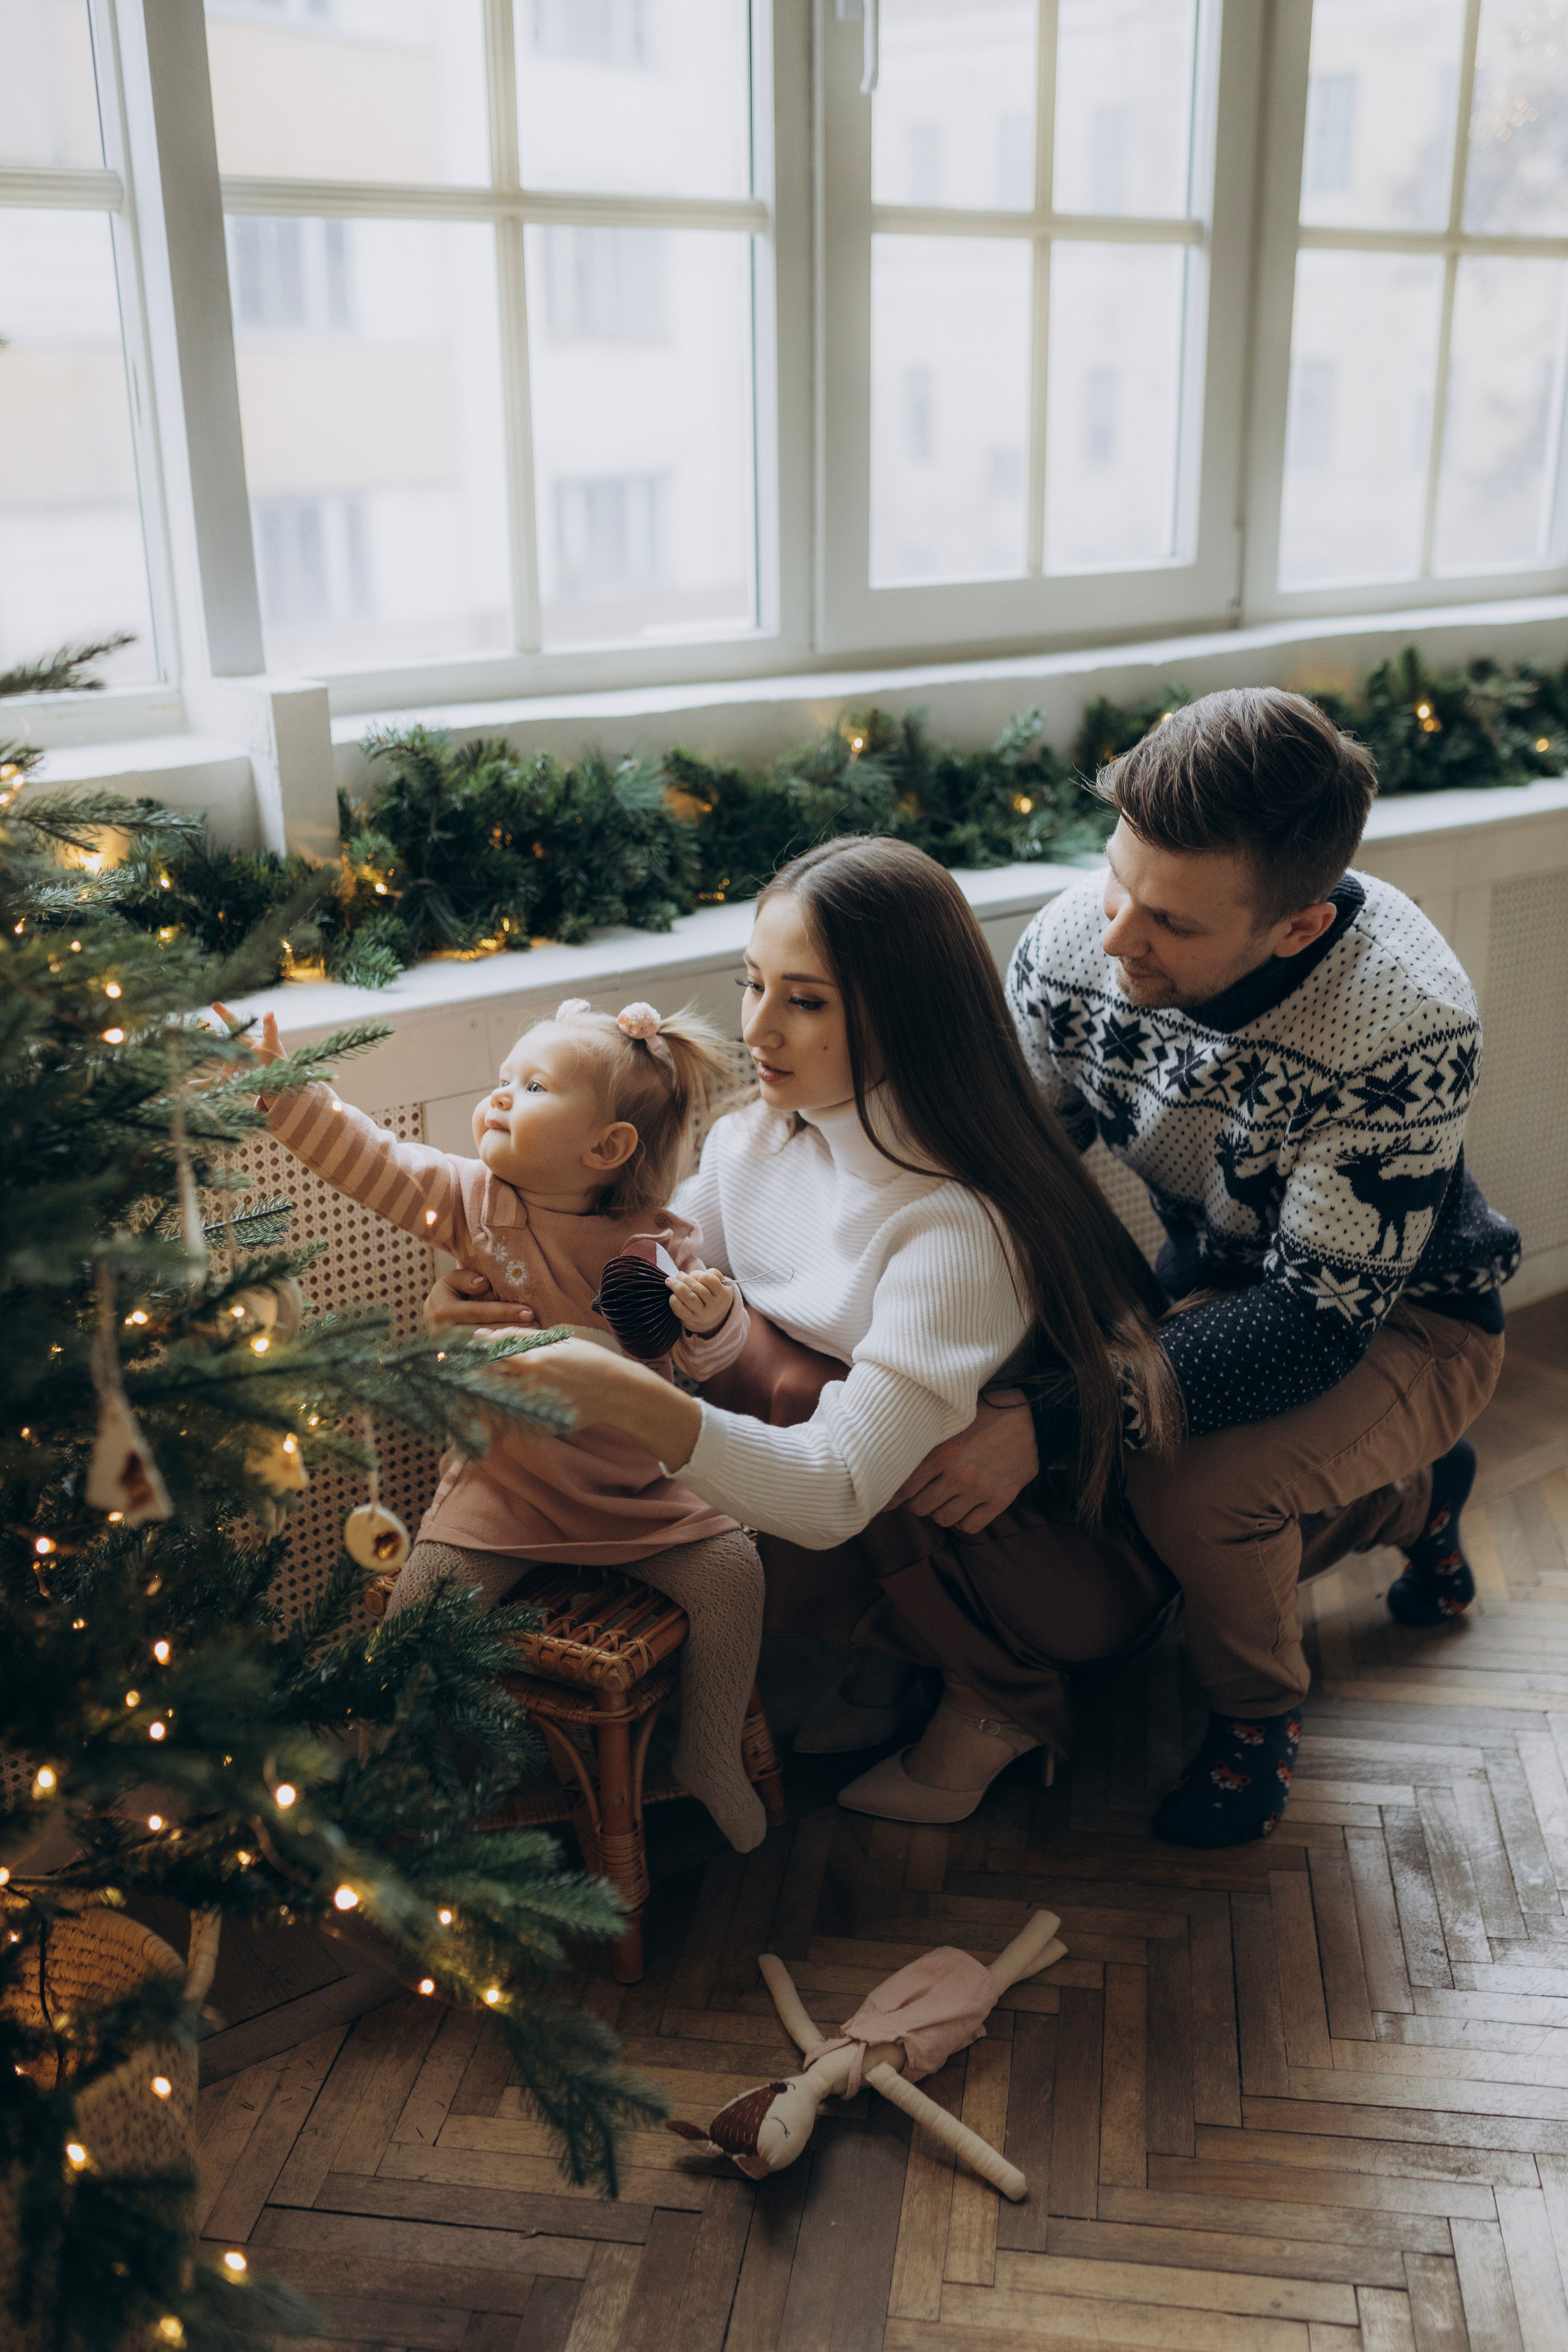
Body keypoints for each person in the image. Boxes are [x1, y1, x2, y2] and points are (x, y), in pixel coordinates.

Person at [881, 686, 1521, 1848]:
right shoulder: (1082, 936)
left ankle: (1256, 1718)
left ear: (1296, 930)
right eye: (1118, 878)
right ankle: (1412, 1496)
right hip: (1218, 1281)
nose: (1118, 934)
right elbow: (1000, 1168)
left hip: (1403, 1320)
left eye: (1170, 922)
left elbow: (1308, 1326)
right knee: (1104, 1434)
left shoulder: (1406, 1017)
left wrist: (1048, 1420)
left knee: (1193, 1490)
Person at [458, 834, 1186, 1825]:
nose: (758, 1028)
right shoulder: (752, 1139)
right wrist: (490, 1288)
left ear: (905, 1014)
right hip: (900, 1520)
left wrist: (640, 1402)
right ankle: (903, 1653)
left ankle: (999, 1695)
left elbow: (842, 1486)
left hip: (1050, 1560)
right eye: (753, 984)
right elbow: (623, 1291)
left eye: (805, 1002)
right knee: (743, 1346)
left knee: (789, 1380)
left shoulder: (955, 1220)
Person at [213, 995, 772, 1853]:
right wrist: (287, 1094)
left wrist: (709, 1319)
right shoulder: (475, 1202)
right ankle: (432, 1783)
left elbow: (706, 1364)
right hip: (502, 1491)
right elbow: (373, 1160)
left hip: (637, 1495)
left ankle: (708, 1753)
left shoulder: (659, 1243)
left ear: (606, 1148)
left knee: (736, 1570)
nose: (500, 1095)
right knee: (415, 1614)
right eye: (503, 1077)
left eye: (534, 1085)